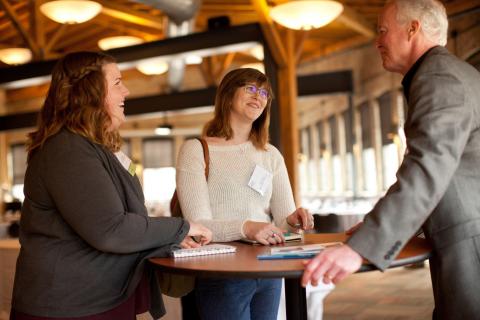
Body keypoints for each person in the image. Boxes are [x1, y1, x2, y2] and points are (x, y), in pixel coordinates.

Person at [302, 0, 480, 318]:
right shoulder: (455, 73)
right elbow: (459, 173)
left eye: (383, 30)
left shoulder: (439, 78)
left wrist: (361, 247)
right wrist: (384, 225)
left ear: (413, 29)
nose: (378, 41)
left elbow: (427, 168)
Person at [10, 51, 212, 320]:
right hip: (68, 307)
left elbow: (118, 222)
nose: (126, 91)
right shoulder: (67, 149)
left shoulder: (92, 148)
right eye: (117, 82)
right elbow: (110, 229)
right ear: (90, 91)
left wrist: (171, 238)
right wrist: (182, 227)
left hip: (95, 299)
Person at [176, 68, 314, 320]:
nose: (258, 96)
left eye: (264, 93)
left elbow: (284, 223)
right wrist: (247, 227)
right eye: (250, 88)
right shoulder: (196, 150)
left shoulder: (270, 154)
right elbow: (198, 227)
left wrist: (294, 220)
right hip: (222, 272)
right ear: (228, 94)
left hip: (269, 269)